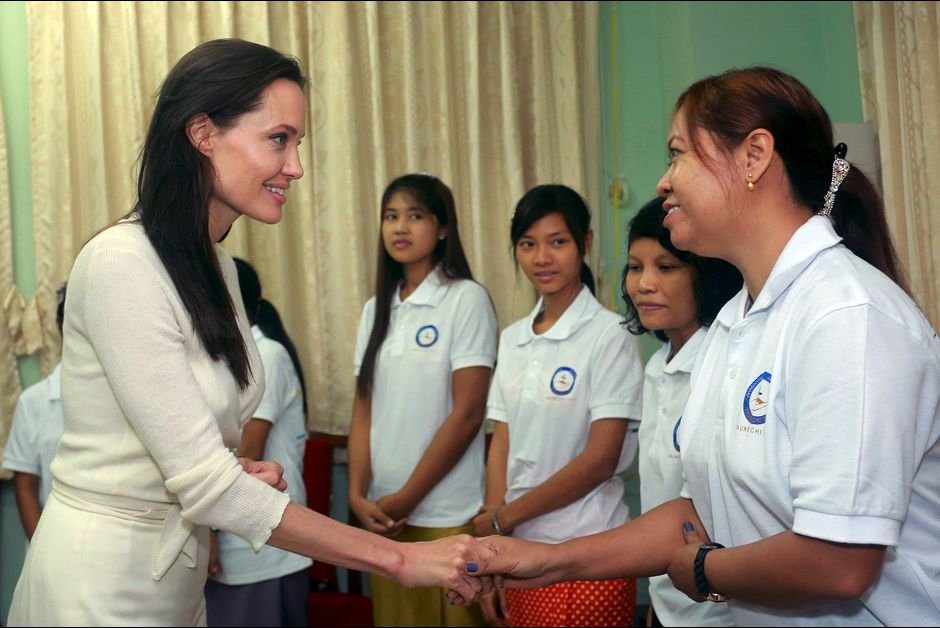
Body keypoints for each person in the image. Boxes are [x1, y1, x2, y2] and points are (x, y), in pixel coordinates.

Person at [7, 38, 491, 627]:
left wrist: (231, 472)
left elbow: (190, 450)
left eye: (297, 143)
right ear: (203, 133)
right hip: (100, 579)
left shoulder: (223, 273)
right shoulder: (121, 263)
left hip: (179, 580)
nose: (295, 166)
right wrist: (397, 558)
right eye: (278, 139)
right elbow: (203, 482)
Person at [461, 66, 940, 627]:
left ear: (754, 156)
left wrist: (708, 573)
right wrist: (549, 560)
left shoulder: (846, 317)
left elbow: (838, 563)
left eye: (678, 153)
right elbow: (699, 512)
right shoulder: (736, 322)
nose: (664, 181)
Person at [470, 184, 645, 627]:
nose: (542, 258)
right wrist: (494, 539)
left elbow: (600, 460)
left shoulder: (611, 335)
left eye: (558, 242)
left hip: (587, 552)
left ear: (585, 244)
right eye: (528, 244)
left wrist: (502, 517)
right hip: (516, 549)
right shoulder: (514, 338)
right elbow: (502, 440)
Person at [348, 172, 497, 627]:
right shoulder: (377, 308)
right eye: (391, 216)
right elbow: (363, 412)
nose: (400, 228)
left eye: (415, 216)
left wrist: (407, 498)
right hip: (383, 518)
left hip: (445, 514)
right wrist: (357, 496)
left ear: (443, 228)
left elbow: (468, 414)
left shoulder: (465, 299)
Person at [621, 198, 740, 627]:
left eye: (666, 267)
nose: (644, 284)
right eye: (635, 267)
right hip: (669, 599)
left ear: (703, 274)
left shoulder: (723, 361)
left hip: (722, 609)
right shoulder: (657, 365)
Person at [204, 257, 312, 627]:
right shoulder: (219, 358)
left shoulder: (265, 354)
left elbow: (249, 454)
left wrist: (210, 529)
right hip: (226, 540)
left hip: (262, 549)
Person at [2, 283, 68, 541]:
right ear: (62, 327)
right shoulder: (34, 402)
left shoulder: (125, 394)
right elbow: (26, 486)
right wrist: (42, 548)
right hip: (54, 542)